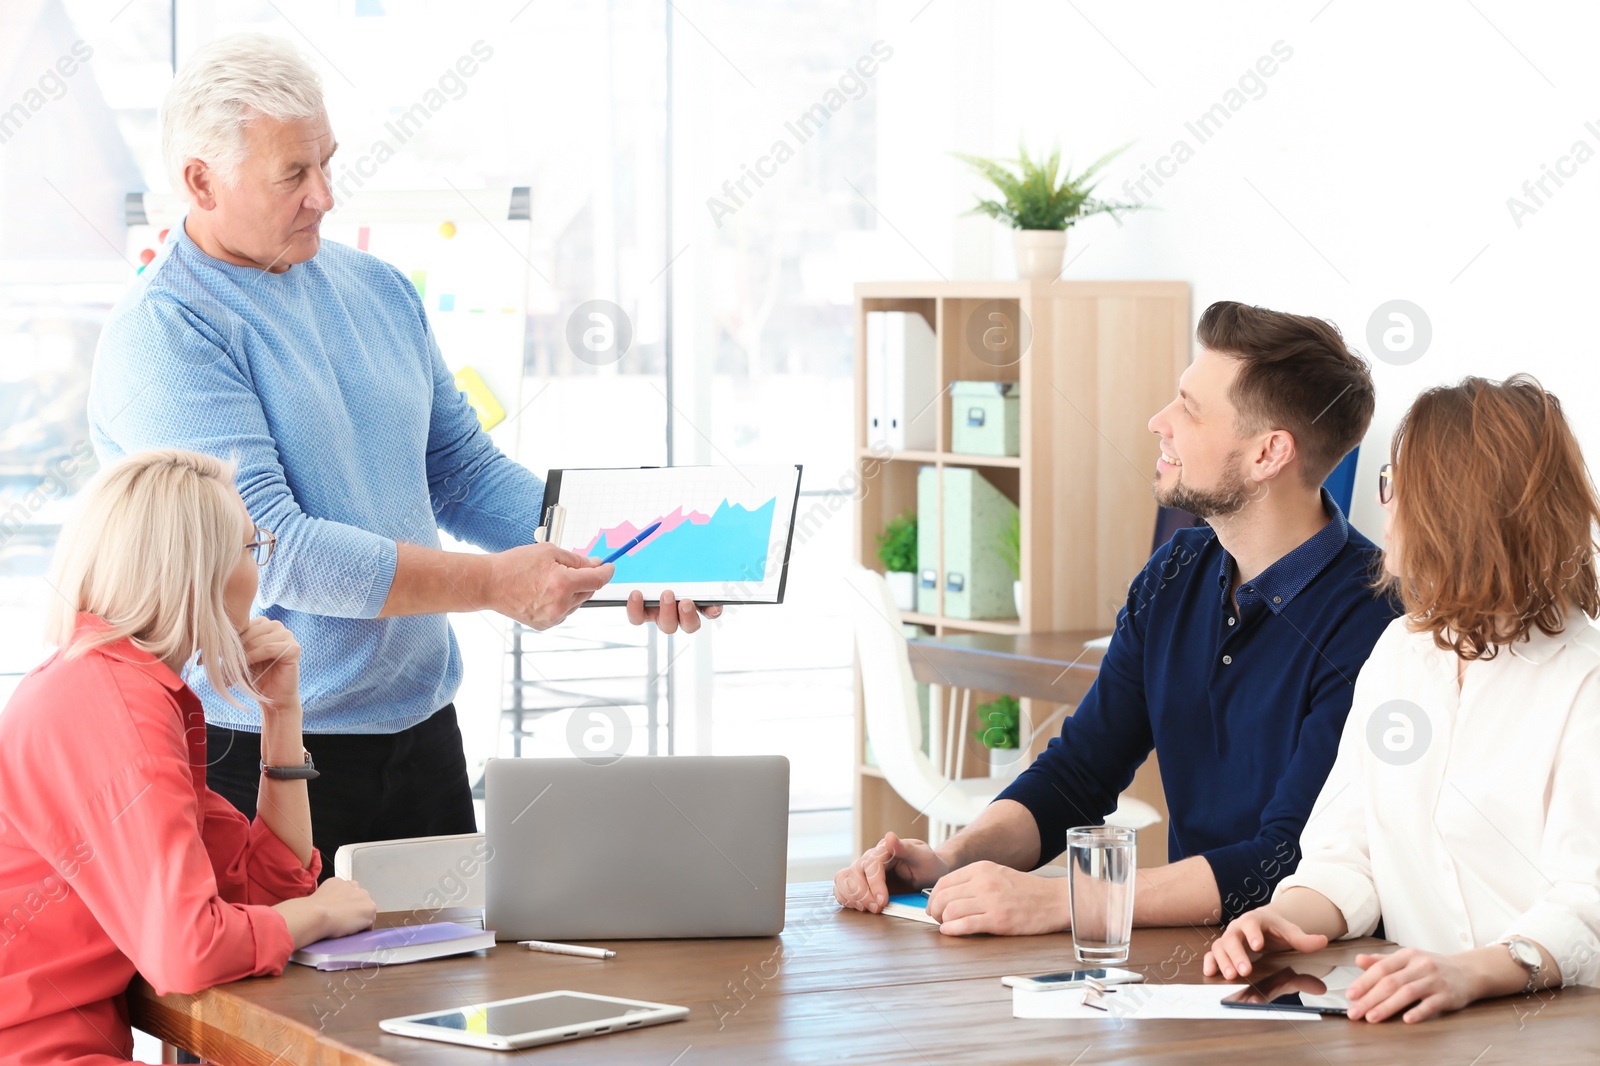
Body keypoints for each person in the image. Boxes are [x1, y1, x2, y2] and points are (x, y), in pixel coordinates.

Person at [87, 34, 718, 868]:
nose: (324, 195)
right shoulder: (165, 333)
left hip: (422, 736)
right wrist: (496, 584)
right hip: (258, 754)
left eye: (327, 163)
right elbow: (278, 551)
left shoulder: (376, 288)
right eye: (293, 175)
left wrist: (631, 555)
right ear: (200, 180)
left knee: (449, 988)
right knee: (287, 999)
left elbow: (463, 472)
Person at [836, 301, 1401, 934]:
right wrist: (949, 859)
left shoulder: (1374, 617)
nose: (1159, 420)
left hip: (1304, 973)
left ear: (1270, 453)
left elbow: (1284, 862)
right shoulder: (1177, 570)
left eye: (1189, 407)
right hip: (1190, 958)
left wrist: (1063, 901)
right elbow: (1079, 773)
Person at [1203, 375, 1600, 1022]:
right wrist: (1282, 917)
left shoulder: (1586, 680)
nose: (1382, 506)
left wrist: (1468, 974)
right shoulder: (1400, 652)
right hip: (1417, 1020)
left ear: (1451, 507)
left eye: (1394, 484)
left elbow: (1589, 904)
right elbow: (1347, 847)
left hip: (1553, 1029)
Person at [0, 450, 376, 1065]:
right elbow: (188, 949)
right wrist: (318, 915)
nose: (259, 572)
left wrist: (281, 713)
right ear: (199, 569)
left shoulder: (117, 686)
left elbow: (264, 893)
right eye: (254, 549)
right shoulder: (117, 708)